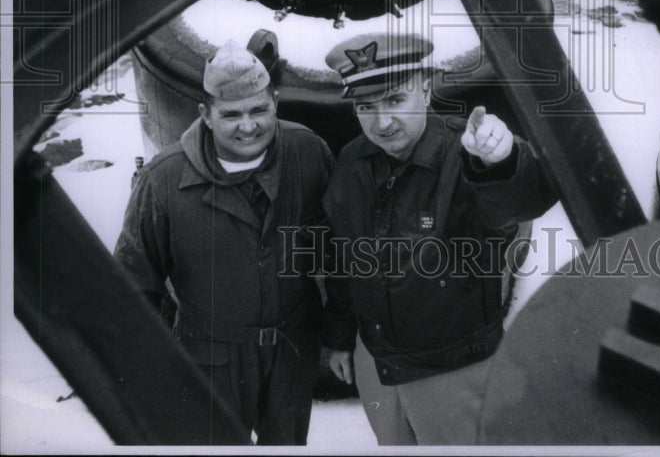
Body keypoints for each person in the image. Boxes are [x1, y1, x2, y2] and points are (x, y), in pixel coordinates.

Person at [321, 31, 558, 445]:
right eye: (366, 107)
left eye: (395, 100)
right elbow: (347, 258)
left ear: (426, 89)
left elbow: (517, 204)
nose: (382, 122)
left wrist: (500, 161)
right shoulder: (352, 161)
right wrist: (342, 338)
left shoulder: (466, 154)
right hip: (377, 364)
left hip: (452, 371)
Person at [114, 39, 334, 445]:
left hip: (293, 352)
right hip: (210, 358)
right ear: (206, 114)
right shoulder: (164, 180)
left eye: (259, 110)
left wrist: (337, 336)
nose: (248, 126)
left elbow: (338, 249)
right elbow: (133, 285)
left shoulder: (307, 151)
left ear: (276, 102)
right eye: (231, 114)